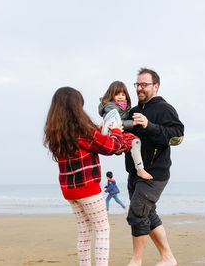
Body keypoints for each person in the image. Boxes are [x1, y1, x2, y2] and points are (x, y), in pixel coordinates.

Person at [43, 87, 124, 266]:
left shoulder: (57, 131)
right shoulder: (81, 129)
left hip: (69, 190)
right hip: (87, 188)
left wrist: (97, 129)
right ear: (75, 107)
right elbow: (110, 147)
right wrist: (116, 131)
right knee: (102, 229)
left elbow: (86, 142)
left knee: (85, 231)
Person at [125, 68, 184, 266]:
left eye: (144, 84)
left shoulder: (164, 108)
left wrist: (149, 125)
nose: (140, 88)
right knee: (148, 214)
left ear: (155, 86)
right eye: (137, 85)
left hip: (154, 174)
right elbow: (127, 141)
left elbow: (178, 137)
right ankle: (168, 258)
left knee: (138, 212)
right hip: (134, 172)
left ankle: (136, 261)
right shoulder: (133, 111)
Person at [98, 81, 152, 180]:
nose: (120, 97)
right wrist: (133, 123)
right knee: (135, 142)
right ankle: (140, 169)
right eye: (117, 94)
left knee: (135, 142)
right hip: (112, 134)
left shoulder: (124, 108)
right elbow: (116, 122)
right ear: (111, 95)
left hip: (119, 134)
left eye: (123, 94)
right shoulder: (111, 107)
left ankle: (139, 168)